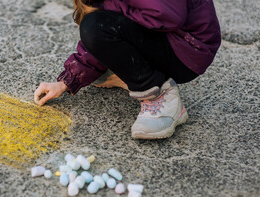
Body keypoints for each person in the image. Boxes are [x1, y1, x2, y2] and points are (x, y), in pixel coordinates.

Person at [34, 0, 221, 139]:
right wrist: (66, 81)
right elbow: (105, 25)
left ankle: (161, 96)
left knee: (97, 25)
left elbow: (169, 14)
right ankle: (124, 69)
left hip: (187, 50)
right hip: (163, 39)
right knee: (95, 25)